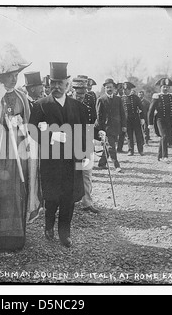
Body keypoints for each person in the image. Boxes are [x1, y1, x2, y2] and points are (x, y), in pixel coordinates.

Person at [0, 44, 42, 251]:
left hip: (19, 148)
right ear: (1, 78)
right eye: (9, 75)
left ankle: (14, 236)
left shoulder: (22, 96)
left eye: (16, 74)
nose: (14, 79)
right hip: (0, 149)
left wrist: (21, 125)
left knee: (17, 188)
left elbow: (30, 122)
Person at [29, 62, 88, 248]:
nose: (56, 87)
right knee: (52, 196)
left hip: (71, 160)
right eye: (53, 83)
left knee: (68, 197)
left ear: (67, 84)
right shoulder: (41, 105)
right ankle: (48, 227)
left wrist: (85, 155)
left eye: (60, 83)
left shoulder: (78, 106)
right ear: (49, 84)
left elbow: (83, 133)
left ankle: (65, 232)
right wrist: (50, 135)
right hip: (51, 160)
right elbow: (31, 130)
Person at [72, 76, 99, 214]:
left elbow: (93, 120)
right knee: (71, 173)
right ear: (72, 91)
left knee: (87, 172)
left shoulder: (90, 100)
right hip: (71, 142)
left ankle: (87, 202)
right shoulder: (67, 104)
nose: (81, 97)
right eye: (78, 94)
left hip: (87, 138)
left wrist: (98, 133)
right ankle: (68, 202)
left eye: (83, 93)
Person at [96, 78, 126, 173]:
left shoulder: (118, 99)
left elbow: (122, 113)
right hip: (106, 127)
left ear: (114, 88)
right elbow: (98, 115)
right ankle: (116, 165)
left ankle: (102, 163)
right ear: (104, 88)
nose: (109, 89)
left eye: (111, 87)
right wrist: (101, 129)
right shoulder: (101, 99)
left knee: (109, 146)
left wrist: (123, 125)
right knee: (111, 147)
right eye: (107, 87)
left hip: (116, 127)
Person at [148, 78, 172, 162]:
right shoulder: (157, 97)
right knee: (164, 136)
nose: (165, 89)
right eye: (164, 87)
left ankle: (159, 156)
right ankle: (165, 156)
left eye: (167, 87)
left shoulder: (171, 96)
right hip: (160, 119)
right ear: (160, 87)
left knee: (165, 137)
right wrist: (150, 123)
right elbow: (150, 111)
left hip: (169, 119)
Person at [121, 82, 145, 156]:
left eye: (126, 89)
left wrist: (142, 118)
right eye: (123, 89)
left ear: (130, 90)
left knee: (138, 135)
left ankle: (140, 150)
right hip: (127, 120)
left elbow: (142, 108)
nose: (124, 91)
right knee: (129, 136)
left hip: (135, 119)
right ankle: (131, 150)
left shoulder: (135, 98)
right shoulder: (121, 99)